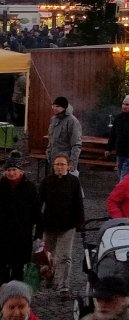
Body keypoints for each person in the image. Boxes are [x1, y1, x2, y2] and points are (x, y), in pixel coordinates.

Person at [37, 153, 84, 299]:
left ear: (68, 166)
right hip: (49, 224)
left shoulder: (74, 181)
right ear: (53, 166)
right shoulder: (46, 181)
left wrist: (80, 223)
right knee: (46, 256)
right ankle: (49, 275)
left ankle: (63, 287)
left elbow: (78, 204)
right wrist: (38, 226)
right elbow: (39, 204)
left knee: (65, 257)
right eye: (57, 164)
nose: (59, 167)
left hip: (67, 225)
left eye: (62, 164)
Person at [0, 153, 40, 285]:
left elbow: (36, 211)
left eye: (14, 170)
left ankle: (17, 295)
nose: (11, 173)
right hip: (3, 235)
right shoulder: (1, 186)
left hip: (22, 235)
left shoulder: (30, 188)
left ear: (21, 171)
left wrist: (39, 232)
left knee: (18, 268)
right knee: (2, 268)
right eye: (9, 170)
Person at [46, 96, 82, 174]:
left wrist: (72, 162)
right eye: (53, 106)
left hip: (65, 162)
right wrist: (48, 154)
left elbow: (76, 144)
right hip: (54, 160)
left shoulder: (72, 121)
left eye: (57, 106)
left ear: (64, 107)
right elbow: (51, 140)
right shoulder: (53, 119)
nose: (54, 108)